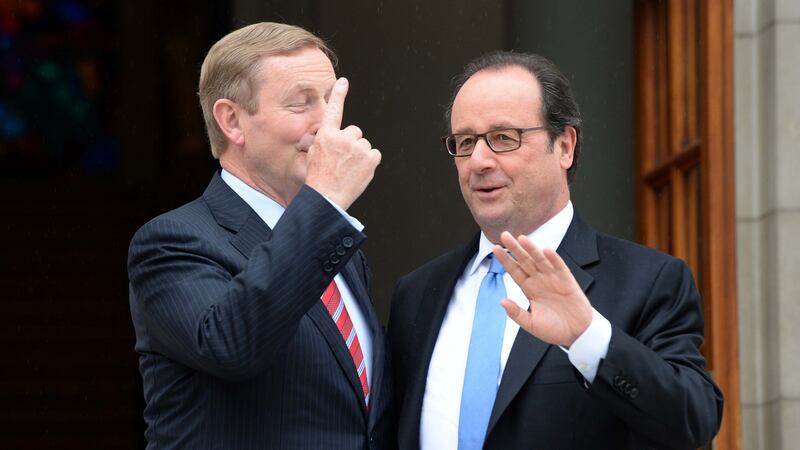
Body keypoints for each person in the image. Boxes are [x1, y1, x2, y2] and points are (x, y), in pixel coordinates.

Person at [388, 51, 723, 450]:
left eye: (503, 138)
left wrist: (588, 336)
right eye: (465, 142)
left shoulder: (647, 281)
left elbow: (693, 420)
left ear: (565, 146)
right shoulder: (417, 295)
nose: (478, 161)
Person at [128, 22, 392, 449]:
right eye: (301, 103)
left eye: (330, 101)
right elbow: (233, 345)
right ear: (232, 120)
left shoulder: (338, 247)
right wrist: (325, 202)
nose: (326, 126)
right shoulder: (171, 241)